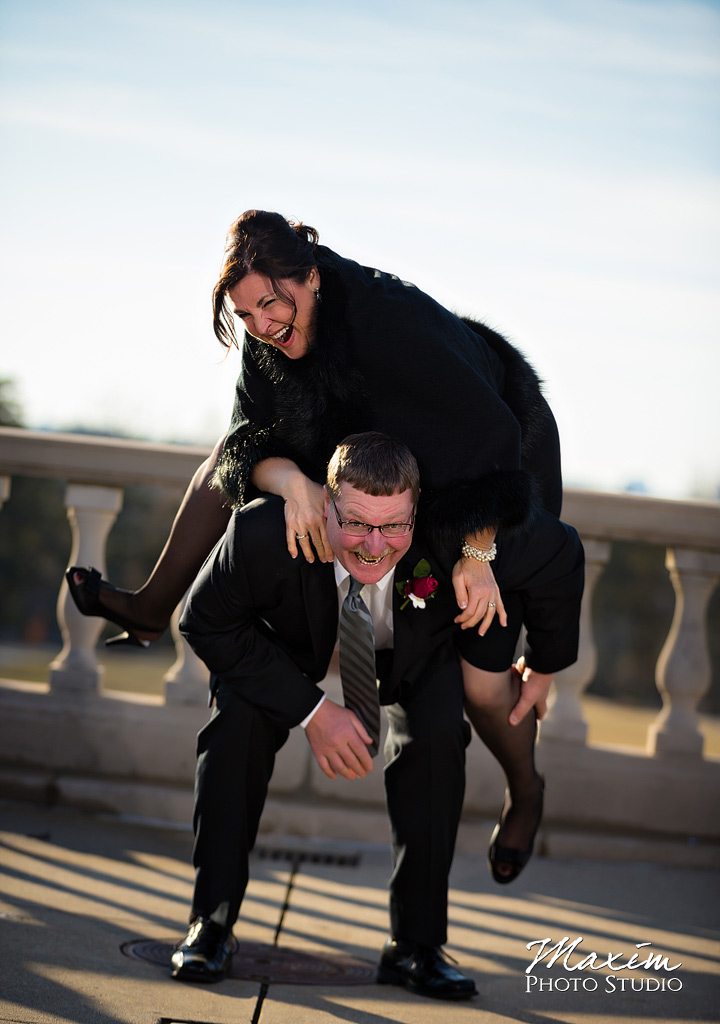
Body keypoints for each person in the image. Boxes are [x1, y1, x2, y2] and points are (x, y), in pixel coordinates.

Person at [66, 209, 570, 885]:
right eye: (244, 315)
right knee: (226, 453)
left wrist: (477, 556)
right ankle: (153, 607)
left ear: (311, 277)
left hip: (491, 454)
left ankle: (527, 791)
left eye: (272, 304)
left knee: (481, 686)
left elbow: (495, 442)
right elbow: (247, 442)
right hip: (374, 450)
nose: (262, 325)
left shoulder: (390, 320)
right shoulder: (270, 328)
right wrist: (295, 482)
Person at [170, 432, 584, 1000]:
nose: (373, 545)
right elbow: (203, 620)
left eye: (394, 526)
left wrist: (545, 665)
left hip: (419, 647)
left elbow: (562, 553)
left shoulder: (457, 541)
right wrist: (313, 711)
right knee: (236, 719)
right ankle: (210, 924)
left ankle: (415, 946)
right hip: (289, 646)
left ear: (418, 514)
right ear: (324, 504)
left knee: (438, 735)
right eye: (357, 523)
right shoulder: (263, 532)